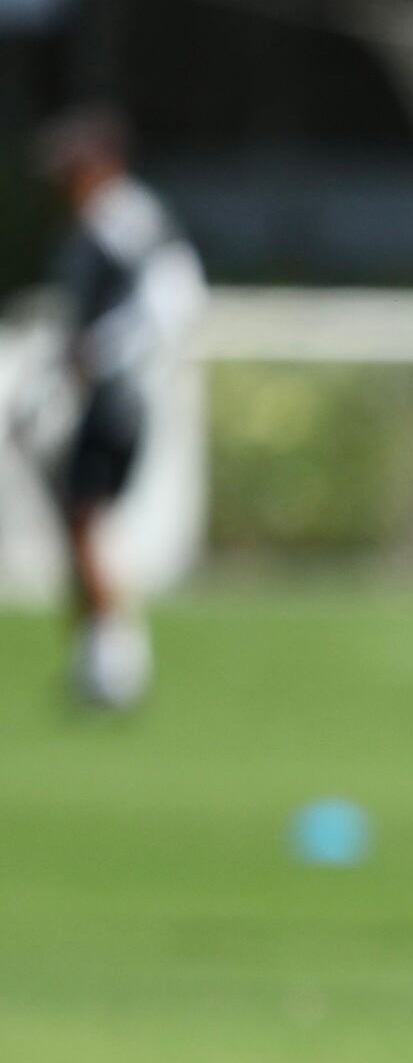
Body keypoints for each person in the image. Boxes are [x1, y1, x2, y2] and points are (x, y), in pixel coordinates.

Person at [25, 106, 203, 711]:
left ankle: (117, 661)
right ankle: (99, 654)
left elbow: (176, 295)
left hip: (118, 396)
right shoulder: (100, 221)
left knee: (85, 517)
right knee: (78, 519)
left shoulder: (125, 218)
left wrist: (103, 356)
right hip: (97, 392)